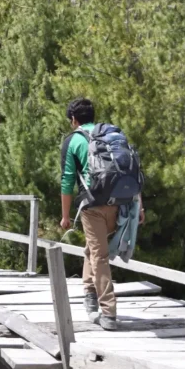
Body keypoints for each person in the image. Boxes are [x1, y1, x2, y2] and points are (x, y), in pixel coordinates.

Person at [59, 97, 142, 331]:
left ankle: (108, 312)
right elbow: (131, 169)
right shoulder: (113, 136)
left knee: (99, 256)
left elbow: (66, 181)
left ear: (74, 120)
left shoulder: (73, 141)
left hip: (93, 206)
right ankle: (89, 293)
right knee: (94, 249)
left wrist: (65, 216)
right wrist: (139, 205)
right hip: (121, 203)